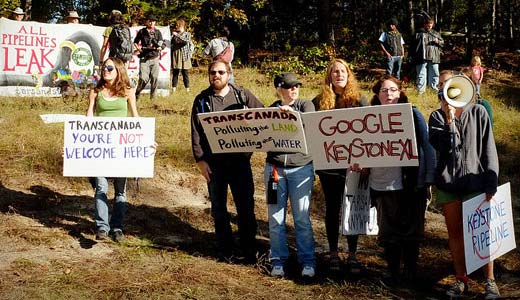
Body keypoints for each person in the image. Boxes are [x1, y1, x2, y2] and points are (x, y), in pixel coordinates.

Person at [429, 71, 500, 299]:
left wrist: (491, 182)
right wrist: (450, 121)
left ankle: (489, 281)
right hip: (448, 185)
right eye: (442, 85)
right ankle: (461, 279)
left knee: (481, 233)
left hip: (476, 182)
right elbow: (443, 147)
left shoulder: (479, 112)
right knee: (456, 234)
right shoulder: (436, 117)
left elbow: (489, 148)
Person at [190, 60, 263, 262]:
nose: (216, 75)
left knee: (245, 208)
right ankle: (225, 250)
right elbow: (195, 132)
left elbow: (263, 117)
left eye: (221, 72)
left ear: (229, 74)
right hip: (215, 165)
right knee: (219, 209)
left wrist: (252, 123)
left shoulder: (243, 95)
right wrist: (200, 160)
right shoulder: (202, 100)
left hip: (240, 163)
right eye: (212, 72)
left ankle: (249, 250)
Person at [369, 75, 436, 286]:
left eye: (392, 90)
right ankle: (392, 271)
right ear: (377, 94)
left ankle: (410, 272)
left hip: (409, 181)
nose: (388, 94)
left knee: (411, 231)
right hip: (382, 181)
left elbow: (427, 146)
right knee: (388, 231)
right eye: (383, 90)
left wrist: (428, 178)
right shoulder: (367, 118)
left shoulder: (413, 114)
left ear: (400, 92)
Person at [312, 58, 369, 273]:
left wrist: (364, 162)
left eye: (342, 71)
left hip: (353, 167)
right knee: (333, 208)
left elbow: (368, 134)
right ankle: (334, 252)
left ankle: (353, 253)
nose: (339, 75)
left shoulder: (360, 100)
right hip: (329, 167)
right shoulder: (318, 102)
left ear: (348, 73)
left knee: (351, 208)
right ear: (329, 76)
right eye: (334, 71)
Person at [265, 73, 316, 278]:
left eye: (296, 86)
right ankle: (277, 260)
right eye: (289, 86)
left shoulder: (306, 105)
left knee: (302, 218)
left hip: (301, 169)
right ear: (279, 89)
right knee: (275, 218)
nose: (294, 89)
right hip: (274, 171)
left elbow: (309, 124)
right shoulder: (270, 110)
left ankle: (308, 261)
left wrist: (291, 115)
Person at [86, 57, 139, 242]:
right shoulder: (95, 91)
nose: (105, 70)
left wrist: (146, 141)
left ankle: (117, 228)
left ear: (118, 70)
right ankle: (102, 227)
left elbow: (136, 119)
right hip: (100, 148)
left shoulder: (128, 91)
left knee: (120, 191)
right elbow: (88, 119)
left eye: (110, 67)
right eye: (104, 67)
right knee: (100, 186)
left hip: (121, 148)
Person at [133, 14, 165, 100]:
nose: (151, 23)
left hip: (155, 57)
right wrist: (139, 49)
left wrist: (159, 47)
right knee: (143, 78)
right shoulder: (142, 31)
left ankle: (153, 98)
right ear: (147, 21)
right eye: (150, 21)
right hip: (144, 58)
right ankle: (137, 93)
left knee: (154, 78)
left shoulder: (158, 32)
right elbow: (135, 42)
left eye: (153, 21)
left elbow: (162, 43)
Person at [412, 17, 444, 94]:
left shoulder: (436, 33)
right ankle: (421, 91)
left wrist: (438, 41)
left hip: (434, 57)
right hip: (421, 57)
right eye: (428, 25)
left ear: (432, 25)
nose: (429, 27)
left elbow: (443, 43)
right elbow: (413, 45)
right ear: (424, 25)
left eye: (431, 25)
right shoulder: (418, 33)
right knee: (421, 75)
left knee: (435, 74)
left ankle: (433, 90)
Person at [171, 19, 194, 92]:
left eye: (178, 25)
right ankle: (173, 89)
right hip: (176, 54)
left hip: (185, 55)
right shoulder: (173, 34)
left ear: (182, 25)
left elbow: (186, 41)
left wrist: (177, 35)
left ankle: (187, 89)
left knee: (185, 73)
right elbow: (172, 43)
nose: (176, 27)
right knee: (175, 72)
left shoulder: (187, 34)